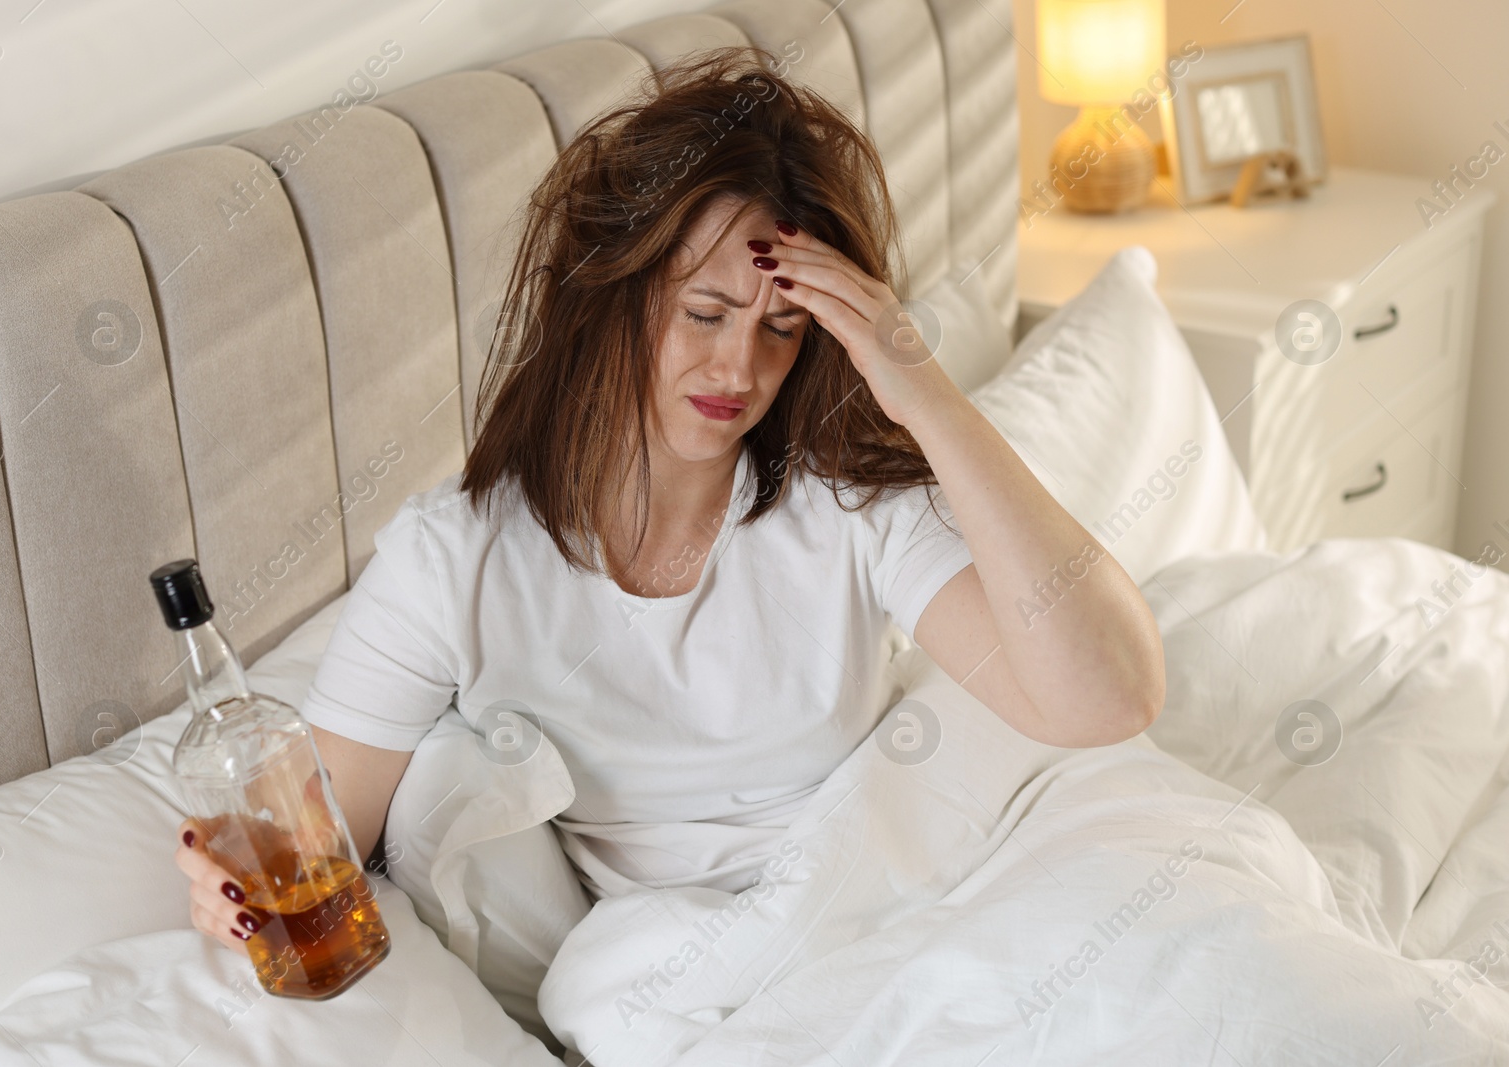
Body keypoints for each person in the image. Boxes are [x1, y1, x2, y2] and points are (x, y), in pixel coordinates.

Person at [175, 42, 1163, 973]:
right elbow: (314, 841)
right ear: (610, 293)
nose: (741, 367)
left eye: (783, 326)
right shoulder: (453, 559)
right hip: (669, 977)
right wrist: (231, 890)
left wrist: (922, 391)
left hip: (891, 913)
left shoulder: (845, 504)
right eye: (704, 313)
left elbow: (1110, 696)